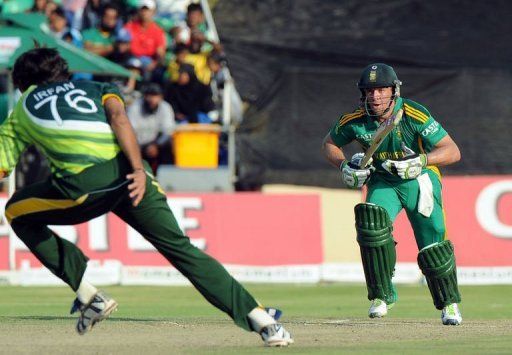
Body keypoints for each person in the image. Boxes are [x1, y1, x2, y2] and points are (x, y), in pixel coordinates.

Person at [0, 47, 293, 347]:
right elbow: (119, 120)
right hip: (134, 177)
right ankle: (264, 322)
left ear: (25, 83)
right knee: (183, 251)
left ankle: (87, 293)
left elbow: (2, 168)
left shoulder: (22, 108)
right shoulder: (99, 87)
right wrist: (139, 170)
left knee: (15, 211)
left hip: (85, 186)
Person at [322, 63, 463, 325]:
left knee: (432, 240)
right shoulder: (354, 121)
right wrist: (344, 166)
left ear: (394, 91)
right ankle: (381, 295)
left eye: (381, 90)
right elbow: (329, 143)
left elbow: (452, 151)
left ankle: (449, 302)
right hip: (383, 181)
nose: (375, 96)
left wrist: (421, 160)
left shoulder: (413, 113)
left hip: (419, 180)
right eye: (369, 91)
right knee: (371, 223)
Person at [127, 83, 174, 174]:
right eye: (150, 96)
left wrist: (156, 145)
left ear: (161, 97)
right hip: (138, 144)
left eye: (155, 96)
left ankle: (165, 177)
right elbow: (130, 131)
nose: (152, 99)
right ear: (144, 96)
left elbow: (168, 131)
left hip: (158, 144)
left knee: (170, 144)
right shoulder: (135, 107)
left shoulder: (165, 107)